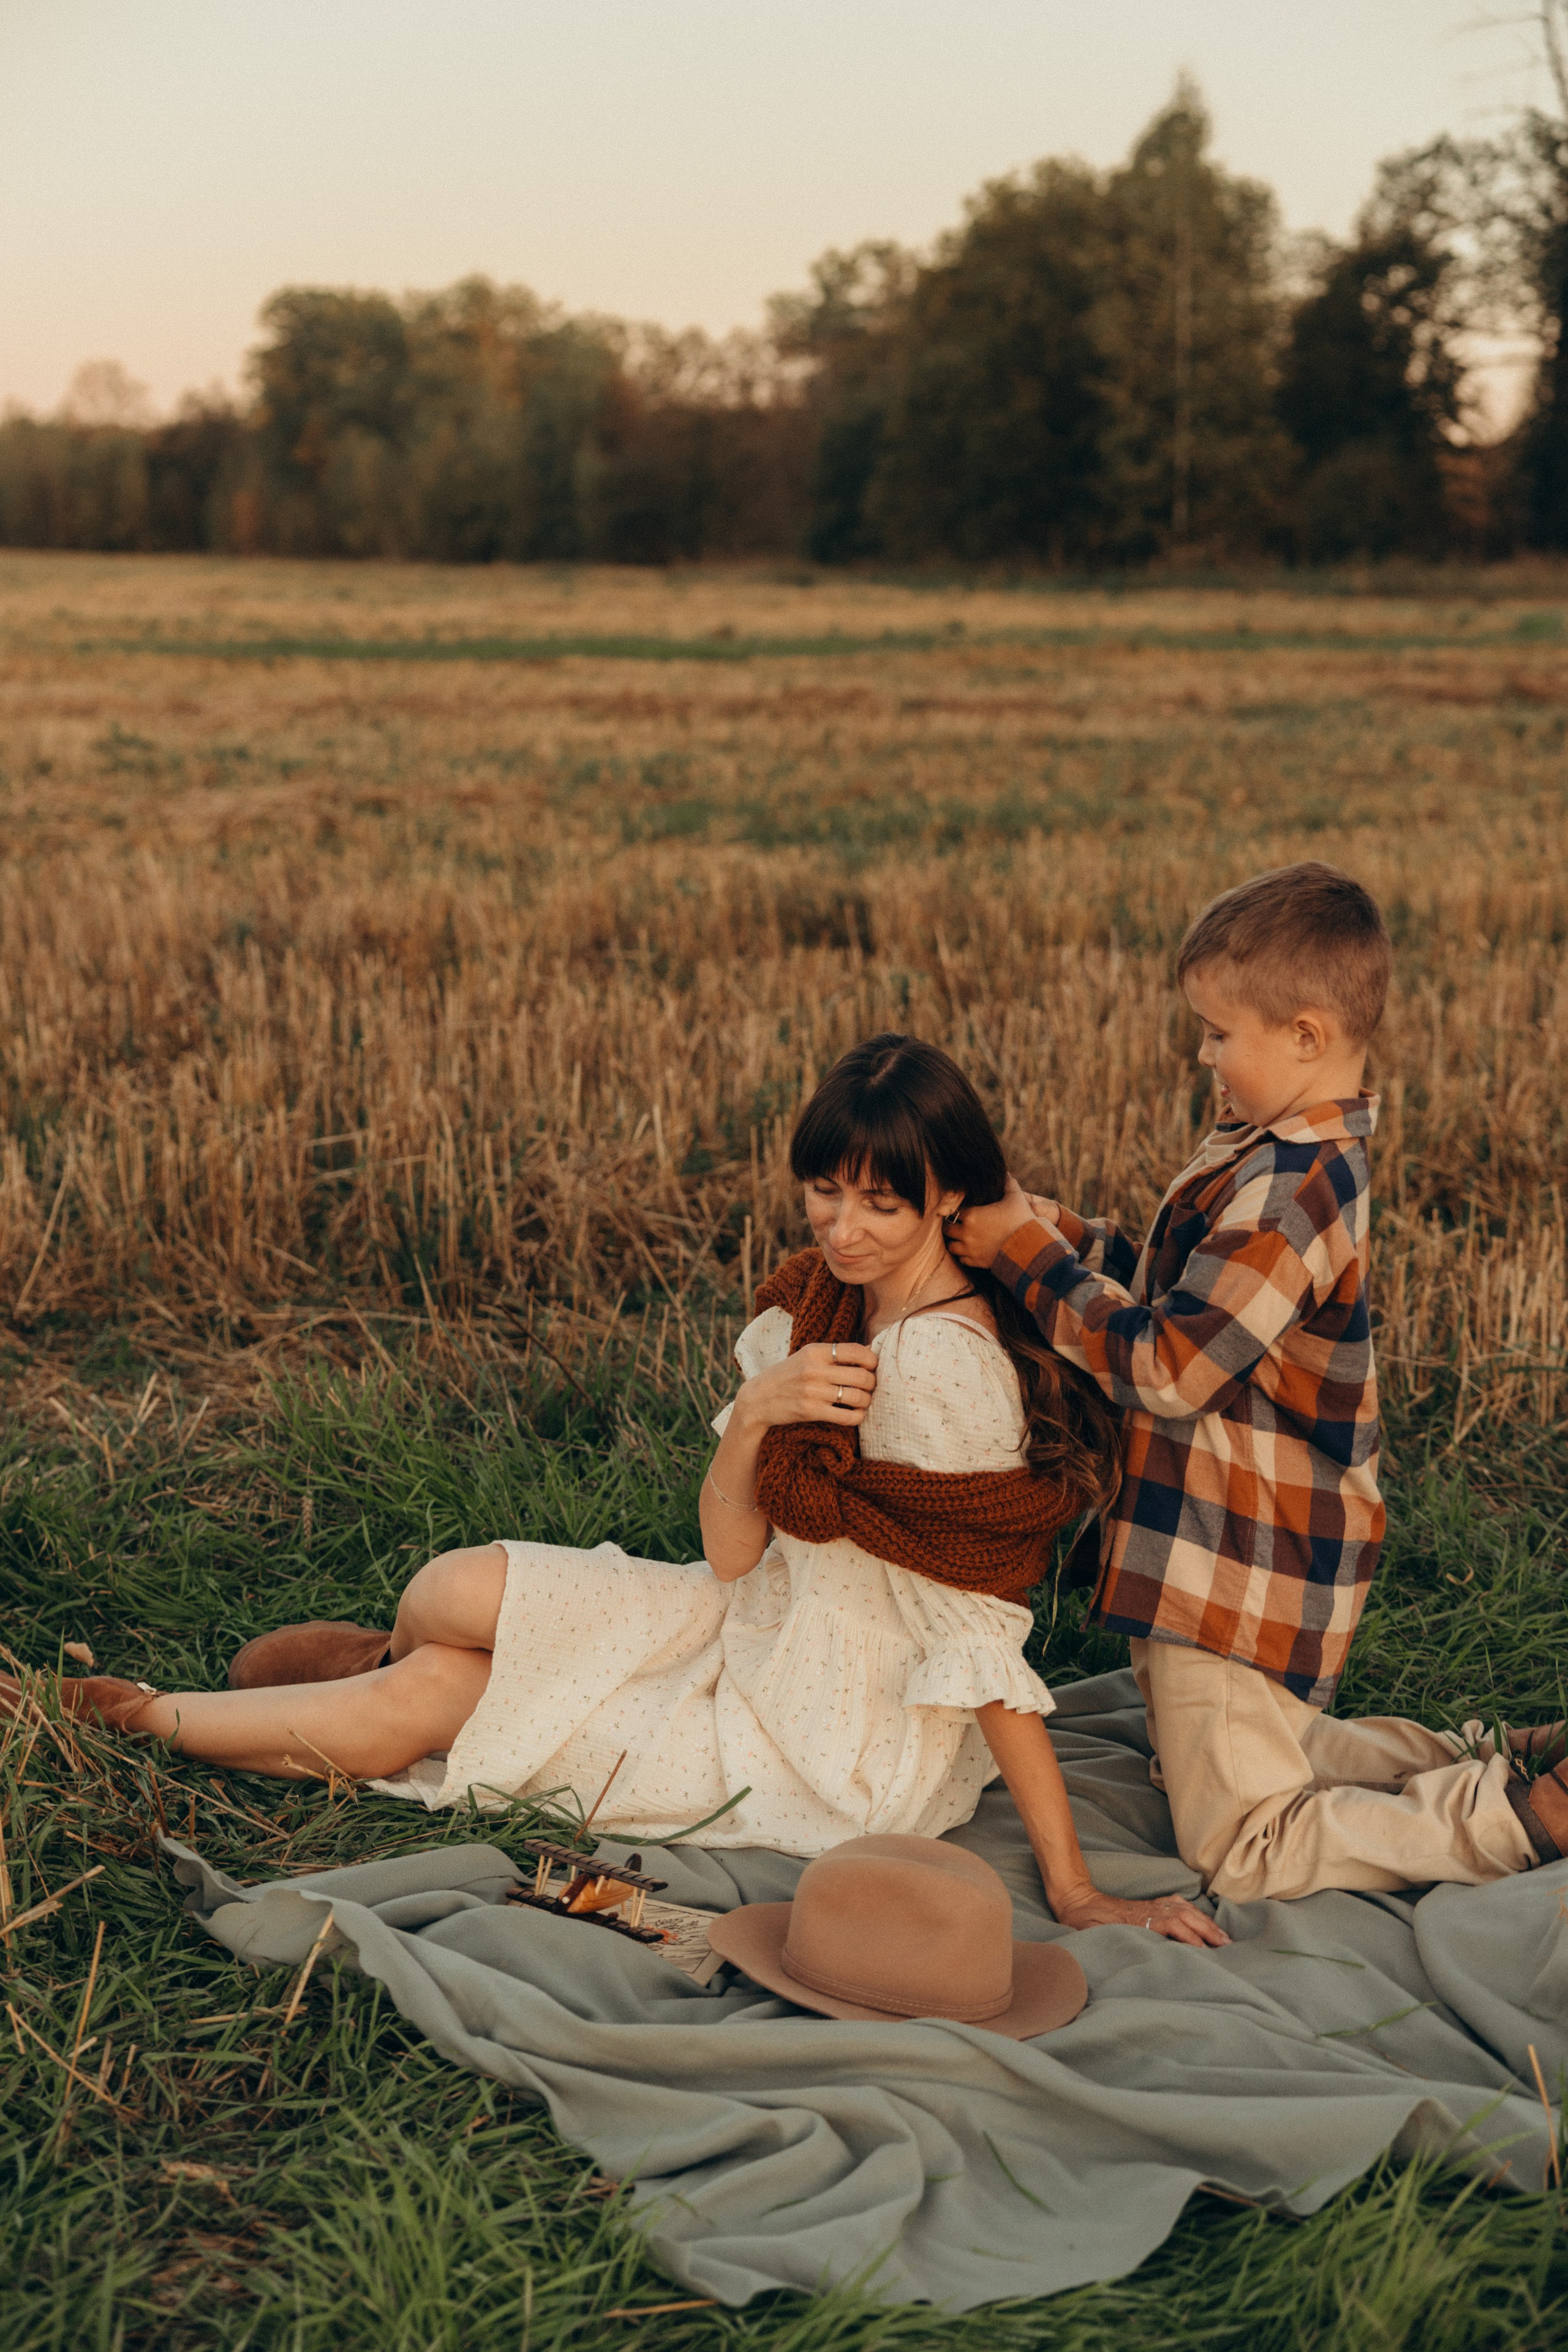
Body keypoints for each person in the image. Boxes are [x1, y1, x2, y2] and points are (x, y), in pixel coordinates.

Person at [2, 1033, 1226, 1948]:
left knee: (439, 1695)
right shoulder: (835, 1306)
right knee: (450, 1588)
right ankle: (380, 1672)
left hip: (829, 1734)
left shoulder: (942, 1374)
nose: (843, 1230)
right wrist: (757, 1411)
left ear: (947, 1198)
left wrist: (1072, 1889)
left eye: (880, 1203)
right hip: (749, 1618)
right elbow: (734, 1553)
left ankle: (130, 1714)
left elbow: (973, 1634)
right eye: (826, 1192)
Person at [952, 861, 1567, 1900]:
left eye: (1218, 1033)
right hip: (1234, 1540)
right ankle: (1502, 1749)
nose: (1205, 1056)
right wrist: (1067, 1239)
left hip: (1232, 1553)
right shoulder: (1279, 1152)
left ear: (1307, 1036)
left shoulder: (1291, 1188)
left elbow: (1172, 1366)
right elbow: (1186, 1297)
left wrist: (1031, 1265)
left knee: (1241, 1845)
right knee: (1276, 1745)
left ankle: (1515, 1820)